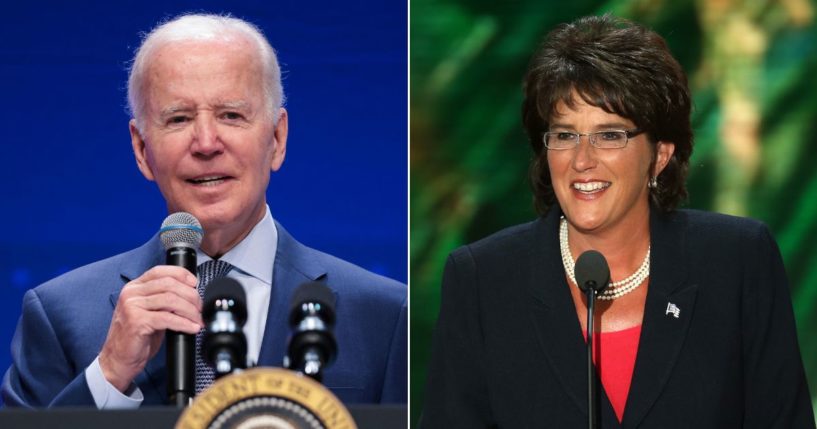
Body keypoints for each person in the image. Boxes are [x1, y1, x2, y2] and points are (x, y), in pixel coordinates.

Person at [420, 15, 813, 428]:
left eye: (610, 135)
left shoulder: (737, 262)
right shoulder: (483, 279)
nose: (582, 160)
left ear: (659, 156)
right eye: (565, 135)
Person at [2, 13, 406, 408]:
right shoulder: (59, 314)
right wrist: (109, 375)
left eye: (231, 115)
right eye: (178, 118)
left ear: (277, 139)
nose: (207, 142)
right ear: (142, 150)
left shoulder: (383, 316)